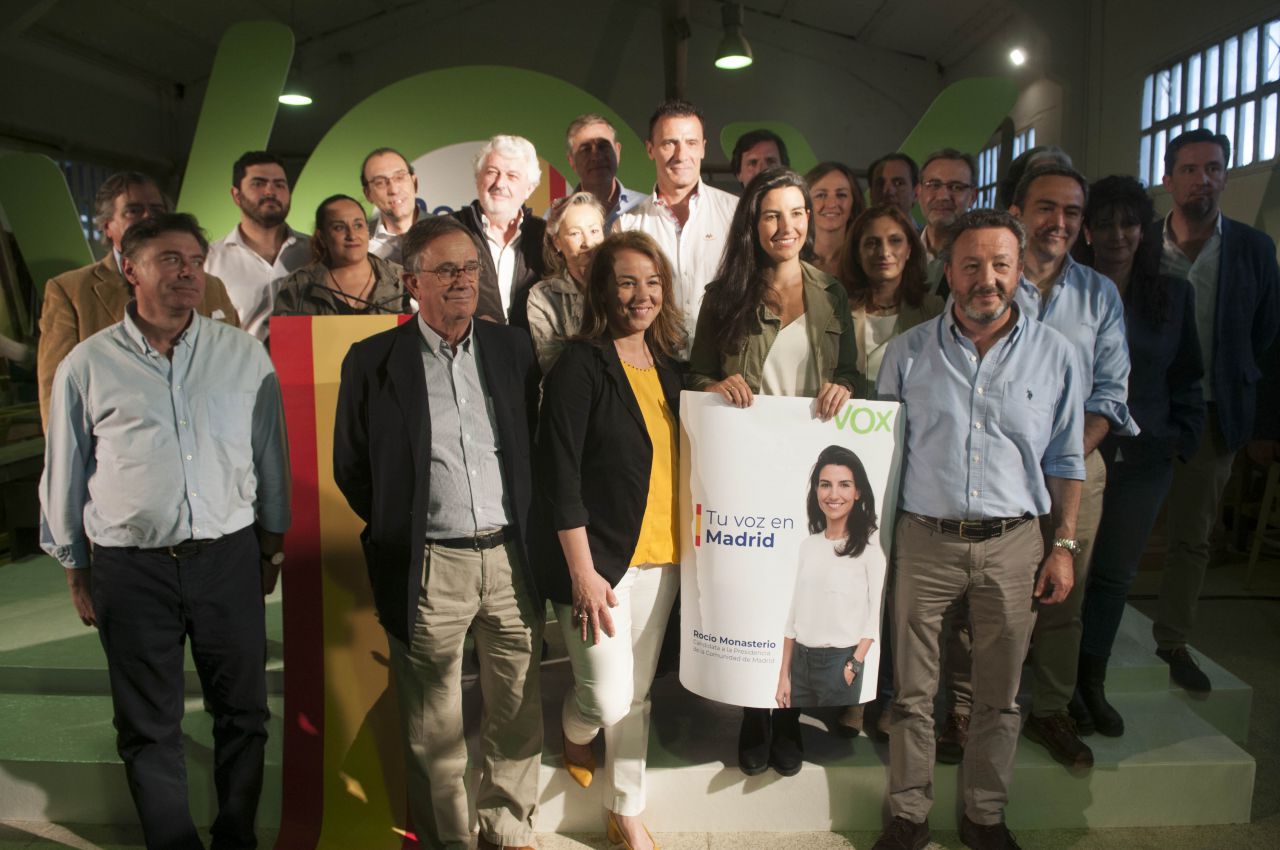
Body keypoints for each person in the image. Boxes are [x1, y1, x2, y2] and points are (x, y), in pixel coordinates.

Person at [39, 212, 290, 850]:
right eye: (170, 260)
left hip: (227, 557)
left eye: (194, 260)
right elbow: (65, 471)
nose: (187, 272)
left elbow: (270, 458)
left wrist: (271, 542)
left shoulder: (242, 355)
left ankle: (236, 838)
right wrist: (75, 564)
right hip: (130, 567)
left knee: (244, 714)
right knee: (148, 725)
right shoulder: (87, 365)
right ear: (131, 270)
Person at [873, 209, 1084, 850]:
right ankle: (908, 815)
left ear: (1020, 271)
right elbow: (882, 458)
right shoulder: (904, 356)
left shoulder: (1058, 357)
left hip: (1015, 542)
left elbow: (1066, 460)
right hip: (924, 539)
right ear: (948, 271)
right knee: (912, 694)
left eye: (1000, 264)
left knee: (999, 696)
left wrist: (1064, 546)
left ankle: (983, 817)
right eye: (971, 265)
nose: (985, 279)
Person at [332, 215, 543, 850]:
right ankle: (449, 840)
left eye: (470, 269)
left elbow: (531, 445)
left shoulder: (512, 349)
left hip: (509, 559)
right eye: (446, 270)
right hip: (430, 566)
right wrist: (407, 525)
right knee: (433, 727)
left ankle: (507, 828)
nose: (462, 282)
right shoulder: (373, 361)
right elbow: (353, 467)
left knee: (516, 709)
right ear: (411, 282)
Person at [687, 167, 859, 777]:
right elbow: (693, 377)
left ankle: (788, 714)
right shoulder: (724, 296)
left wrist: (845, 387)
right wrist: (715, 382)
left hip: (810, 475)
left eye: (797, 213)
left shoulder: (831, 293)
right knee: (755, 597)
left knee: (800, 599)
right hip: (749, 476)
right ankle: (755, 714)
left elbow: (856, 377)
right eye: (772, 215)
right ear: (753, 226)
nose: (787, 227)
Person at [535, 230, 685, 850]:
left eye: (652, 282)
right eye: (626, 281)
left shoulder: (673, 368)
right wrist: (582, 571)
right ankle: (574, 727)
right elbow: (559, 474)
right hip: (601, 564)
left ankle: (626, 810)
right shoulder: (581, 362)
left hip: (666, 557)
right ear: (602, 289)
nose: (641, 294)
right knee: (605, 695)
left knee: (640, 694)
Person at [1075, 175, 1205, 736]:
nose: (1117, 234)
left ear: (1142, 230)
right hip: (1073, 456)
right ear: (1087, 230)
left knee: (1112, 577)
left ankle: (1091, 684)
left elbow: (1187, 375)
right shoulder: (1068, 293)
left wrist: (1180, 439)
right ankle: (1054, 685)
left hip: (1145, 457)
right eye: (1104, 223)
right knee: (1067, 572)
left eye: (1128, 223)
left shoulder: (1173, 295)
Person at [1151, 128, 1280, 692]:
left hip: (1213, 414)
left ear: (1225, 176)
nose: (1201, 178)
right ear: (1168, 178)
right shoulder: (1143, 246)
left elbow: (1268, 337)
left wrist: (1261, 421)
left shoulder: (1253, 248)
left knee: (1193, 536)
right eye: (1189, 168)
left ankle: (1173, 641)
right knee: (1109, 530)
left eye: (1213, 168)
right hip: (1145, 413)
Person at [37, 171, 239, 425]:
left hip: (205, 434)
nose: (148, 217)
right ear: (107, 226)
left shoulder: (209, 287)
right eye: (134, 210)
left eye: (156, 209)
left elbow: (233, 364)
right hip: (116, 446)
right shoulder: (70, 290)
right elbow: (55, 388)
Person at [616, 99, 738, 356]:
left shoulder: (735, 213)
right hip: (654, 364)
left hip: (724, 366)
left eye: (691, 143)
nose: (681, 155)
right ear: (650, 149)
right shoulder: (626, 226)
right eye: (669, 143)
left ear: (703, 148)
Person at [776, 445, 885, 709]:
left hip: (840, 664)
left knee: (827, 745)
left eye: (844, 485)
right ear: (816, 491)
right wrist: (783, 676)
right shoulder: (808, 545)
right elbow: (794, 615)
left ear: (858, 492)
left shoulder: (871, 548)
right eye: (825, 485)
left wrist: (854, 664)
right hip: (800, 663)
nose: (833, 494)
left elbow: (875, 616)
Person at [205, 151, 311, 341]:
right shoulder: (209, 259)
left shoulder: (314, 251)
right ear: (236, 195)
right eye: (258, 183)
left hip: (310, 367)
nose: (271, 191)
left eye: (280, 184)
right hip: (238, 369)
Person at [840, 204, 944, 398]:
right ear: (857, 252)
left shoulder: (933, 310)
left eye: (895, 241)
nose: (884, 252)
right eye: (872, 243)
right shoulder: (837, 311)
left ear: (909, 250)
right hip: (848, 422)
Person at [451, 134, 548, 327]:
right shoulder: (448, 231)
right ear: (478, 179)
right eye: (492, 172)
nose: (500, 183)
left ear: (529, 188)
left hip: (534, 353)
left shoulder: (546, 236)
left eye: (512, 176)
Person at [272, 194, 409, 316]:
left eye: (358, 225)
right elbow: (286, 341)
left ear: (367, 230)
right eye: (339, 227)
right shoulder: (298, 286)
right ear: (322, 237)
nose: (352, 235)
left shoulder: (403, 280)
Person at [526, 191, 607, 373]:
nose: (588, 242)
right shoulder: (542, 297)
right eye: (575, 233)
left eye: (594, 231)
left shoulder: (621, 285)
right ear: (557, 242)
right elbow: (552, 365)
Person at [564, 114, 643, 230]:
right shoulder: (557, 217)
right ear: (571, 161)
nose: (596, 156)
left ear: (617, 151)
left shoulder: (646, 209)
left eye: (603, 146)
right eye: (586, 149)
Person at [917, 149, 979, 296]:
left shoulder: (983, 257)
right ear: (919, 192)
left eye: (956, 187)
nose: (943, 196)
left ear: (973, 197)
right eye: (933, 185)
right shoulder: (898, 251)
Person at [361, 146, 427, 265]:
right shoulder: (359, 245)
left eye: (400, 177)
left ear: (415, 183)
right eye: (380, 182)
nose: (394, 190)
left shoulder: (449, 232)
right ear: (368, 194)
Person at [805, 161, 865, 277]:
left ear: (854, 204)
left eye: (841, 195)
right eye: (821, 195)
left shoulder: (866, 261)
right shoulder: (789, 261)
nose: (832, 204)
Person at [867, 153, 919, 223]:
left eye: (899, 183)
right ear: (871, 193)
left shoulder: (929, 233)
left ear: (916, 193)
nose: (888, 191)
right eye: (880, 184)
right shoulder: (856, 233)